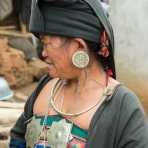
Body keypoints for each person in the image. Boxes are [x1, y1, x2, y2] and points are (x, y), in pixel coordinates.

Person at [9, 0, 148, 148]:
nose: (43, 54)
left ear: (79, 46)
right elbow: (19, 136)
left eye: (46, 43)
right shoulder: (47, 85)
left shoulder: (123, 106)